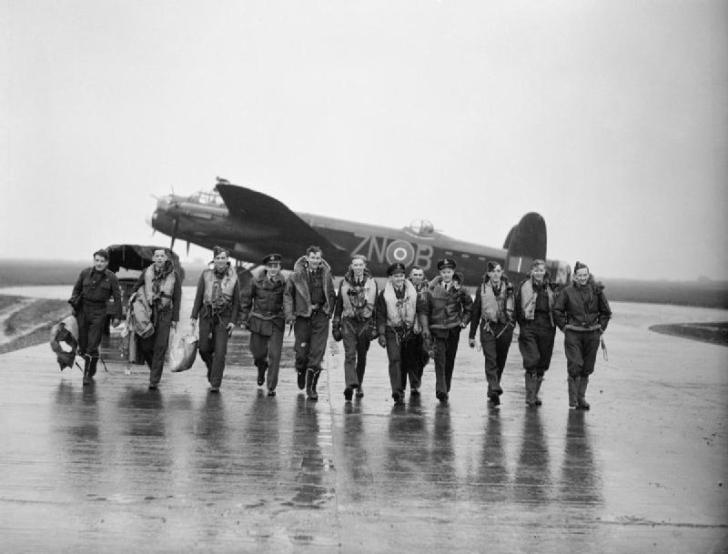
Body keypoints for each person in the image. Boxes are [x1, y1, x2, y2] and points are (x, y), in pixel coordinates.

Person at [553, 261, 612, 410]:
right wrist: (564, 327)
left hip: (592, 334)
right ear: (574, 276)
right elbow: (557, 310)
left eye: (585, 275)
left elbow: (606, 312)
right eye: (580, 275)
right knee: (575, 364)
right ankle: (573, 400)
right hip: (573, 333)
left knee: (587, 368)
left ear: (588, 275)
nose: (583, 278)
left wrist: (601, 328)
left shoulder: (597, 291)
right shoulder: (567, 292)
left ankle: (581, 398)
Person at [284, 245, 335, 400]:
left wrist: (329, 311)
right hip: (302, 317)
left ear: (321, 260)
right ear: (307, 259)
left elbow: (331, 294)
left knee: (317, 354)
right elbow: (287, 295)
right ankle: (300, 370)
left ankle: (311, 388)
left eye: (318, 258)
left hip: (320, 316)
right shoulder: (295, 276)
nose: (315, 261)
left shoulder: (326, 275)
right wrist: (289, 315)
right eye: (312, 258)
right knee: (301, 354)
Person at [419, 258, 473, 403]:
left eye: (449, 272)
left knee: (450, 359)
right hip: (437, 328)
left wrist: (464, 321)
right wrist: (426, 328)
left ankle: (446, 387)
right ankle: (440, 389)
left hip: (454, 329)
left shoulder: (460, 290)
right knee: (439, 359)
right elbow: (425, 309)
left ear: (453, 272)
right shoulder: (431, 289)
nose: (446, 274)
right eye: (444, 272)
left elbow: (469, 307)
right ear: (440, 273)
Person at [190, 246, 240, 393]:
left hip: (224, 317)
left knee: (220, 352)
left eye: (223, 258)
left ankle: (215, 383)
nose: (220, 261)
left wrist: (233, 321)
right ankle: (212, 369)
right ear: (214, 260)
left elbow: (237, 302)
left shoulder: (234, 278)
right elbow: (199, 297)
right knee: (204, 349)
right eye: (217, 258)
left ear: (227, 260)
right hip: (206, 315)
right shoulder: (205, 275)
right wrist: (193, 316)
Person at [68, 249, 122, 385]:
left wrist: (117, 316)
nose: (99, 263)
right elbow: (76, 290)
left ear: (107, 262)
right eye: (97, 260)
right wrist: (74, 304)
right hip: (83, 311)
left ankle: (86, 375)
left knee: (93, 345)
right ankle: (92, 364)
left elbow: (117, 298)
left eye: (102, 261)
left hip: (99, 312)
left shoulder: (111, 278)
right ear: (94, 260)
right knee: (83, 345)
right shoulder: (85, 273)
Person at [132, 247, 182, 390]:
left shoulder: (174, 275)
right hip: (149, 313)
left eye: (162, 256)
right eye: (157, 256)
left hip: (165, 314)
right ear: (153, 258)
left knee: (160, 347)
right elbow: (136, 287)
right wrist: (134, 301)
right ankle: (154, 367)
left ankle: (154, 380)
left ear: (166, 258)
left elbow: (177, 298)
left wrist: (175, 319)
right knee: (146, 346)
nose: (159, 258)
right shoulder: (146, 272)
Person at [468, 261, 515, 405]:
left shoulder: (510, 289)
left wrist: (516, 328)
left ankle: (492, 389)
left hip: (504, 328)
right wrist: (472, 335)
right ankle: (495, 385)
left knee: (500, 359)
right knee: (490, 358)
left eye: (499, 271)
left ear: (502, 273)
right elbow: (475, 313)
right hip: (487, 327)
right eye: (493, 271)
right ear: (488, 273)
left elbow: (516, 310)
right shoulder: (481, 289)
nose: (496, 274)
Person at [332, 255, 378, 401]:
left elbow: (376, 307)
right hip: (349, 323)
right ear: (351, 266)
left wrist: (376, 327)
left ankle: (359, 384)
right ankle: (349, 385)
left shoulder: (373, 283)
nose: (358, 267)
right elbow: (339, 304)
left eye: (360, 265)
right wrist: (335, 325)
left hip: (365, 323)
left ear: (365, 266)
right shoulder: (344, 283)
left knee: (362, 357)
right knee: (350, 354)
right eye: (355, 265)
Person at [239, 253, 286, 396]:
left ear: (280, 267)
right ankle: (261, 366)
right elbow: (246, 300)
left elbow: (289, 301)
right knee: (257, 353)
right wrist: (243, 318)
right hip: (258, 320)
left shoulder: (285, 284)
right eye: (270, 266)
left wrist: (290, 316)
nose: (273, 269)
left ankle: (271, 386)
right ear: (266, 267)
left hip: (276, 321)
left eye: (276, 266)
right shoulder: (255, 281)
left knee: (275, 355)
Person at [375, 263, 420, 405]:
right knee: (394, 359)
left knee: (407, 361)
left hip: (410, 330)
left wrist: (419, 325)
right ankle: (396, 391)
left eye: (401, 275)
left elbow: (420, 310)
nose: (399, 278)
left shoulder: (414, 293)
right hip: (392, 330)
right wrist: (381, 335)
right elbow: (380, 315)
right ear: (390, 278)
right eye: (396, 276)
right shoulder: (383, 295)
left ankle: (404, 387)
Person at [514, 259, 556, 407]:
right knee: (532, 359)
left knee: (543, 362)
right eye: (536, 270)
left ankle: (535, 394)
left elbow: (557, 308)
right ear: (531, 272)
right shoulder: (524, 286)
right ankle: (530, 396)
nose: (539, 273)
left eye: (541, 270)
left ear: (545, 272)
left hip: (547, 327)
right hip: (529, 325)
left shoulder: (551, 287)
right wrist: (521, 327)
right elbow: (518, 307)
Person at [400, 266, 429, 395]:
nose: (417, 277)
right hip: (407, 327)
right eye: (415, 275)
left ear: (423, 276)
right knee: (407, 357)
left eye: (420, 275)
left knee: (423, 356)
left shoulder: (428, 290)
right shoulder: (403, 288)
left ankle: (416, 380)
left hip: (424, 327)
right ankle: (409, 385)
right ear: (410, 276)